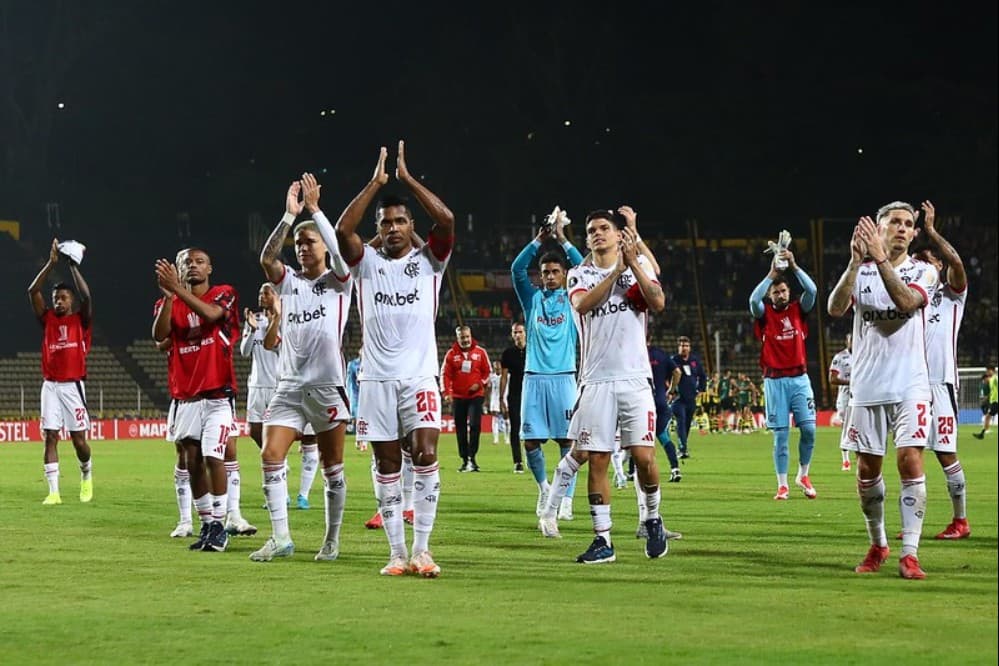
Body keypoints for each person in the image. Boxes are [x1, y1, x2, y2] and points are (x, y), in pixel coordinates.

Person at [334, 141, 454, 577]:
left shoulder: (431, 262)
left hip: (419, 377)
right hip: (376, 381)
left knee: (424, 453)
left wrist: (408, 180)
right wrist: (375, 184)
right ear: (379, 229)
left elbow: (447, 220)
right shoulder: (364, 263)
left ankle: (422, 550)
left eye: (401, 220)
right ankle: (397, 553)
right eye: (386, 222)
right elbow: (342, 230)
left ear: (411, 225)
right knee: (386, 464)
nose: (393, 227)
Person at [538, 206, 670, 563]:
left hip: (634, 378)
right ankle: (603, 540)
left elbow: (657, 301)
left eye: (603, 228)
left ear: (617, 234)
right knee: (597, 459)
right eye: (591, 230)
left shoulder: (638, 268)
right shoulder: (578, 274)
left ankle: (653, 517)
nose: (597, 234)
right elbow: (582, 305)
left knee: (643, 457)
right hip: (595, 380)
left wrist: (632, 266)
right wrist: (616, 273)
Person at [828, 200, 939, 579]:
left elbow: (907, 303)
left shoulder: (924, 271)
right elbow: (835, 308)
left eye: (908, 223)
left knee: (910, 460)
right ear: (878, 229)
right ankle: (878, 543)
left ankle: (910, 553)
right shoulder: (861, 272)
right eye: (895, 222)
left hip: (911, 384)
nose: (903, 228)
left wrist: (880, 260)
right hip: (867, 385)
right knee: (866, 470)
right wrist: (853, 263)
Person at [249, 173, 353, 563]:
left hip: (326, 385)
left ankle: (332, 540)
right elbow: (266, 259)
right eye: (299, 244)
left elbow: (342, 255)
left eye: (310, 241)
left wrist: (316, 212)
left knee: (333, 467)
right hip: (289, 387)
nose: (303, 248)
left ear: (324, 244)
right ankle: (281, 538)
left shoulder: (339, 282)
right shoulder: (288, 282)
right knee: (270, 455)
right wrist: (290, 217)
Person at [153, 246, 239, 553]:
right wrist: (168, 297)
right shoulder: (168, 302)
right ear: (177, 269)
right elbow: (160, 336)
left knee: (214, 456)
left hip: (217, 395)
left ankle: (220, 524)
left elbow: (212, 315)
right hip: (186, 397)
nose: (193, 265)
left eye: (199, 261)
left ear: (209, 268)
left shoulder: (224, 293)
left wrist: (176, 290)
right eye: (186, 262)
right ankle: (207, 525)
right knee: (192, 462)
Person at [511, 214, 583, 521]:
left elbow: (584, 267)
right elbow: (516, 270)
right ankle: (544, 489)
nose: (550, 277)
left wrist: (563, 238)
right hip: (534, 378)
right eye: (545, 273)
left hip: (564, 378)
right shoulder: (532, 300)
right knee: (530, 441)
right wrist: (539, 240)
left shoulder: (573, 299)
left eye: (555, 272)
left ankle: (565, 499)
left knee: (568, 442)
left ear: (565, 274)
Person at [913, 201, 971, 539]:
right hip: (912, 384)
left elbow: (957, 263)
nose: (923, 266)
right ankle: (913, 524)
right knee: (910, 453)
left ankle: (960, 521)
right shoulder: (911, 298)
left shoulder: (952, 296)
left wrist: (931, 233)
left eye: (928, 261)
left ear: (939, 266)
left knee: (945, 452)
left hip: (940, 383)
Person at [28, 239, 94, 505]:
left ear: (72, 301)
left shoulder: (81, 320)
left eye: (63, 297)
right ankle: (53, 492)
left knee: (79, 441)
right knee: (50, 437)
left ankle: (86, 472)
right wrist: (51, 264)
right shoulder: (47, 319)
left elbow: (87, 297)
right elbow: (33, 291)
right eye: (56, 298)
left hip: (73, 386)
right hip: (50, 386)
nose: (58, 301)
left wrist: (72, 266)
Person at [240, 285, 318, 512]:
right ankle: (280, 468)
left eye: (267, 293)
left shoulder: (289, 319)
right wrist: (252, 330)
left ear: (277, 296)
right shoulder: (254, 320)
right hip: (257, 386)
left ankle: (302, 495)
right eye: (260, 293)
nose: (261, 296)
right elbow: (244, 351)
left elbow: (276, 346)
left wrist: (276, 319)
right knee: (255, 432)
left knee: (308, 438)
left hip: (280, 385)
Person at [749, 247, 818, 500]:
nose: (780, 295)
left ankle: (803, 475)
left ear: (789, 292)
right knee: (781, 436)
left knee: (809, 431)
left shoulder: (799, 310)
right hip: (775, 381)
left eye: (783, 291)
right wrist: (771, 274)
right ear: (770, 296)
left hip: (800, 379)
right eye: (776, 292)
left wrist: (794, 266)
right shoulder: (764, 315)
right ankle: (782, 484)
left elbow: (812, 291)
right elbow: (752, 301)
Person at [441, 326, 492, 472]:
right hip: (458, 397)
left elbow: (488, 372)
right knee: (461, 428)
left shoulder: (480, 352)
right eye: (462, 337)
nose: (465, 340)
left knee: (475, 425)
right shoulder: (451, 354)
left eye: (467, 336)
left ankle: (472, 457)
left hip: (476, 396)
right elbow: (445, 374)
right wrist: (446, 393)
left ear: (471, 336)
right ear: (457, 338)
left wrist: (480, 384)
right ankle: (464, 459)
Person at [669, 336, 707, 459]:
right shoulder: (673, 360)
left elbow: (702, 376)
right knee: (681, 421)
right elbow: (665, 376)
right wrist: (670, 390)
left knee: (687, 424)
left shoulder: (694, 361)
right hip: (678, 399)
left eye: (686, 346)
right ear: (678, 347)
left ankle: (682, 446)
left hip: (691, 399)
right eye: (681, 346)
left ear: (689, 348)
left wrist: (701, 389)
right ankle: (682, 449)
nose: (684, 348)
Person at [648, 341, 681, 482]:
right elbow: (677, 372)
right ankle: (675, 469)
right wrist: (671, 390)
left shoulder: (637, 353)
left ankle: (632, 472)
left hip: (644, 402)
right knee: (663, 436)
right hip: (661, 401)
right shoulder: (662, 355)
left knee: (640, 438)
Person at [499, 322, 527, 474]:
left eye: (520, 332)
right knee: (515, 428)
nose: (517, 335)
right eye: (515, 332)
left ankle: (532, 457)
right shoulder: (508, 353)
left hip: (531, 394)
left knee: (533, 428)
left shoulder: (533, 350)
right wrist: (501, 398)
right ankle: (518, 461)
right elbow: (504, 377)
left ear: (525, 333)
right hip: (515, 395)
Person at [829, 334, 853, 471]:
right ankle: (846, 460)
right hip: (845, 397)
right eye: (851, 340)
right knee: (846, 426)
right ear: (847, 341)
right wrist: (851, 382)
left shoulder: (864, 354)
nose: (853, 343)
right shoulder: (840, 357)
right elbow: (832, 379)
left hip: (861, 396)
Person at [486, 360, 507, 445]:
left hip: (504, 399)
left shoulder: (507, 376)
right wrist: (487, 400)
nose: (497, 369)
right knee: (495, 419)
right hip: (494, 400)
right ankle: (496, 439)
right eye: (495, 367)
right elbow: (488, 389)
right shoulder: (491, 377)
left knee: (506, 418)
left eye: (498, 367)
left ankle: (507, 438)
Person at [973, 366, 997, 439]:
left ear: (992, 370)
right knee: (988, 417)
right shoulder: (991, 379)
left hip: (996, 401)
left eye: (988, 371)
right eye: (987, 371)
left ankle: (982, 434)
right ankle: (982, 434)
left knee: (987, 416)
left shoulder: (995, 378)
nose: (987, 372)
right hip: (993, 401)